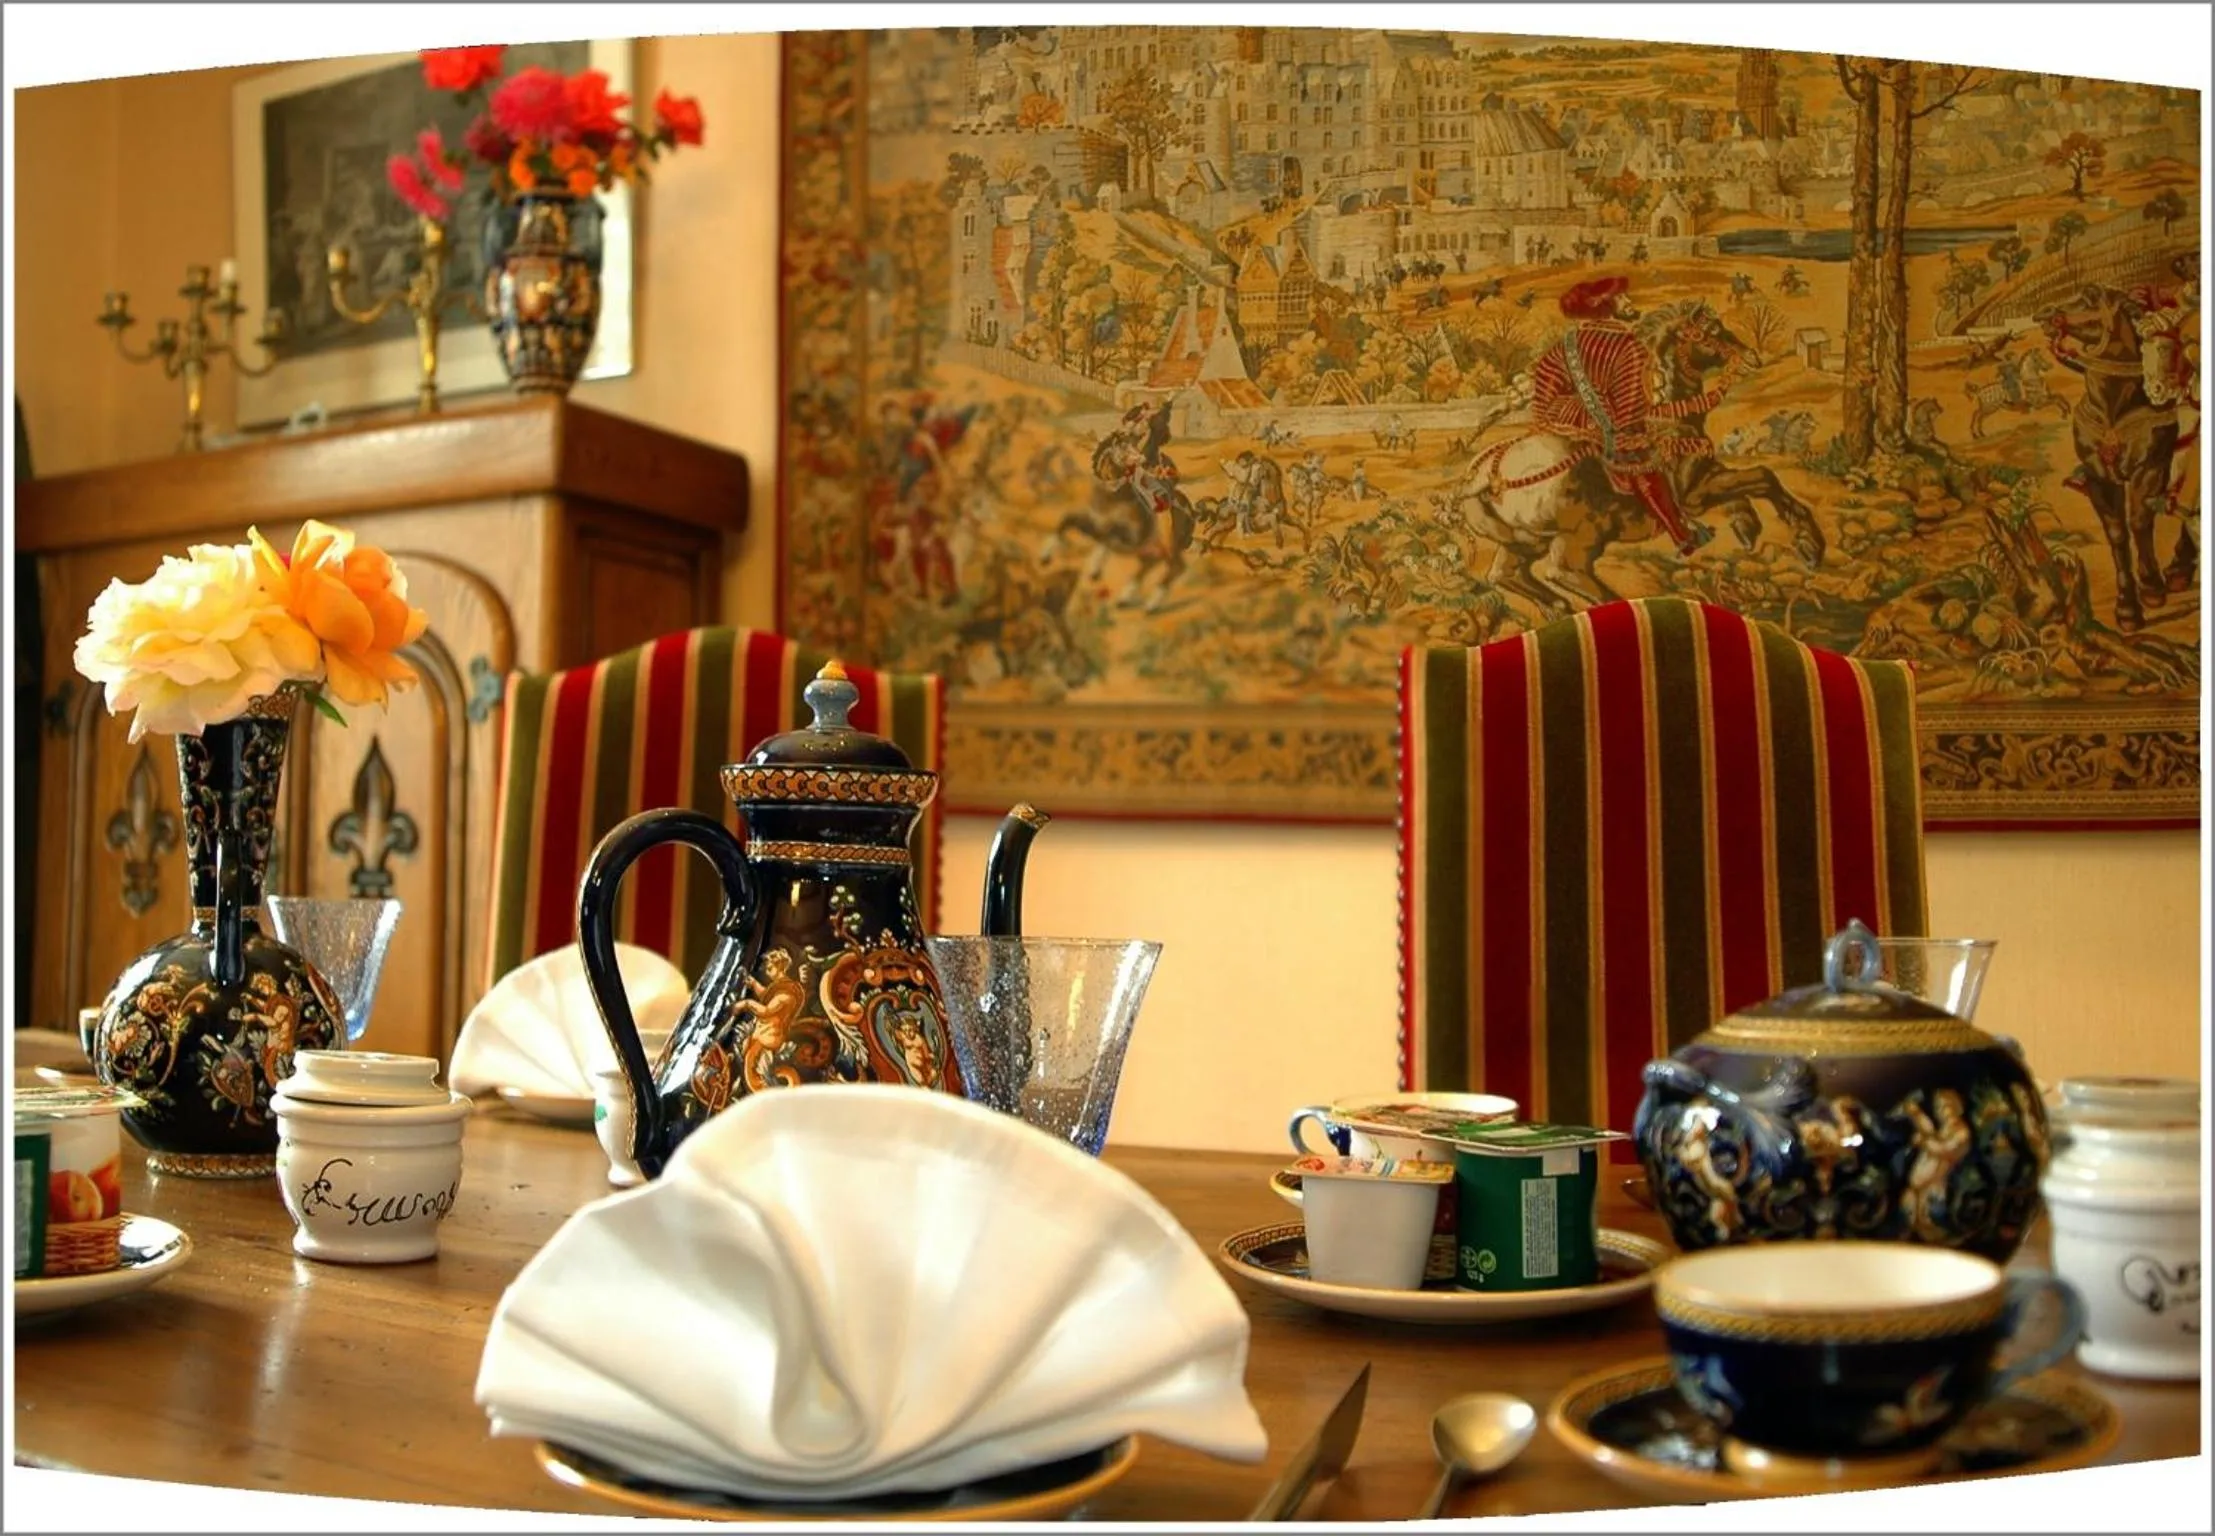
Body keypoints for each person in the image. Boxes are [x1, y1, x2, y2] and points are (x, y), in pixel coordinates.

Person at [1527, 274, 1710, 554]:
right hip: (1609, 430)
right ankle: (1681, 535)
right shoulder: (1629, 348)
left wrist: (1561, 418)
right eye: (1621, 297)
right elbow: (1630, 413)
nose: (1628, 301)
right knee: (1645, 464)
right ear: (1605, 305)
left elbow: (1543, 393)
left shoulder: (1564, 346)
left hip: (1562, 424)